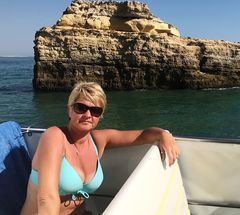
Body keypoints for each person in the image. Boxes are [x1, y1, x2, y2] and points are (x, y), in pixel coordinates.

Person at [21, 82, 180, 215]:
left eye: (95, 111)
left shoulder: (98, 140)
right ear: (69, 109)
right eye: (81, 107)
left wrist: (162, 134)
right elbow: (47, 198)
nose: (88, 114)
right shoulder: (54, 136)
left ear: (100, 116)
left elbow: (141, 135)